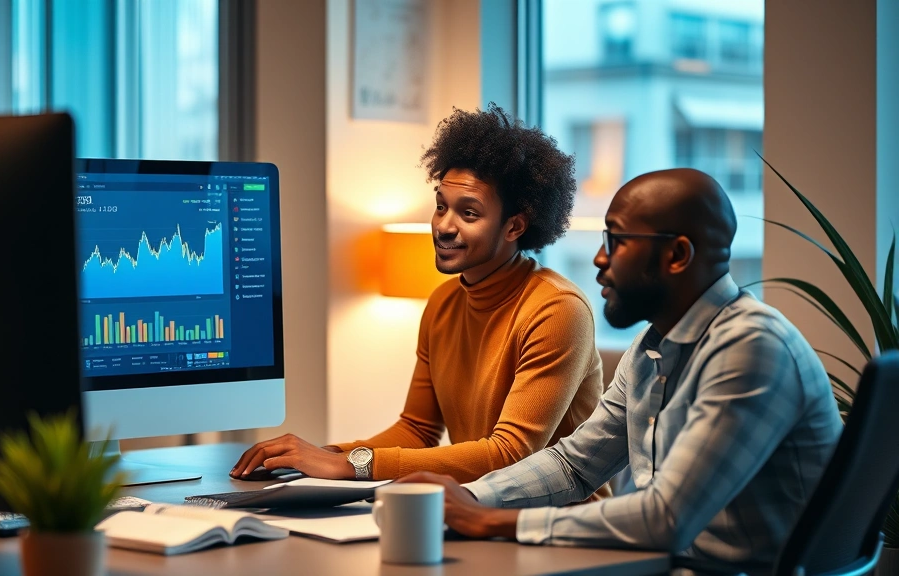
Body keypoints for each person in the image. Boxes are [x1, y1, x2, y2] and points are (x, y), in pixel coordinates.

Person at [399, 168, 843, 570]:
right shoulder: (651, 346)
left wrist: (494, 520)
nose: (598, 258)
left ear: (677, 255)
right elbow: (576, 465)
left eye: (615, 240)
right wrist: (469, 497)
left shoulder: (751, 348)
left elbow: (666, 518)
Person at [231, 104, 607, 492]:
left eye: (469, 213)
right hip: (478, 513)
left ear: (514, 226)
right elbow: (417, 429)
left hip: (561, 530)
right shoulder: (443, 303)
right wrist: (321, 456)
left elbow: (508, 454)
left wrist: (351, 466)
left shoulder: (557, 310)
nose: (444, 226)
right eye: (441, 205)